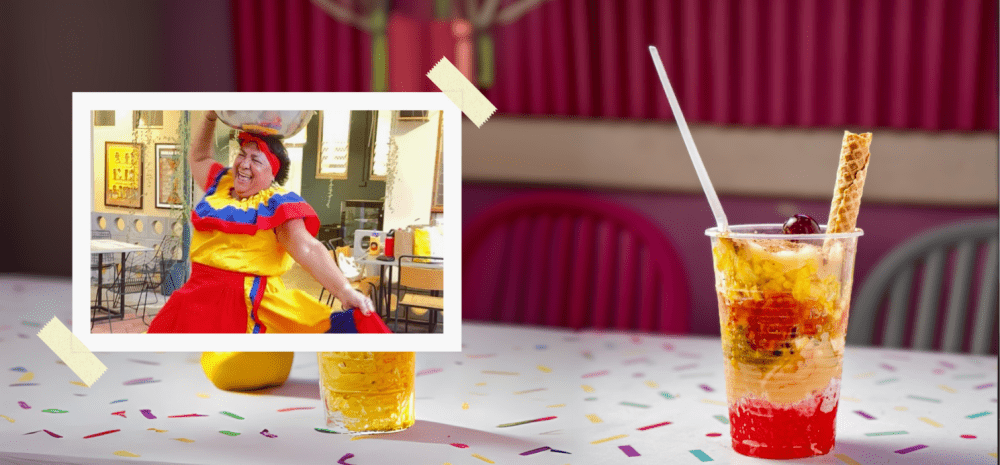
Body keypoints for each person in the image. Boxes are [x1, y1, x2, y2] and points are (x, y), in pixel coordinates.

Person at [147, 111, 385, 334]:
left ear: (273, 174)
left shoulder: (277, 203)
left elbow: (308, 248)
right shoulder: (221, 183)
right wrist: (210, 117)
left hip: (247, 305)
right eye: (242, 154)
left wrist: (344, 290)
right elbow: (199, 157)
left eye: (256, 160)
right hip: (196, 297)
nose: (244, 164)